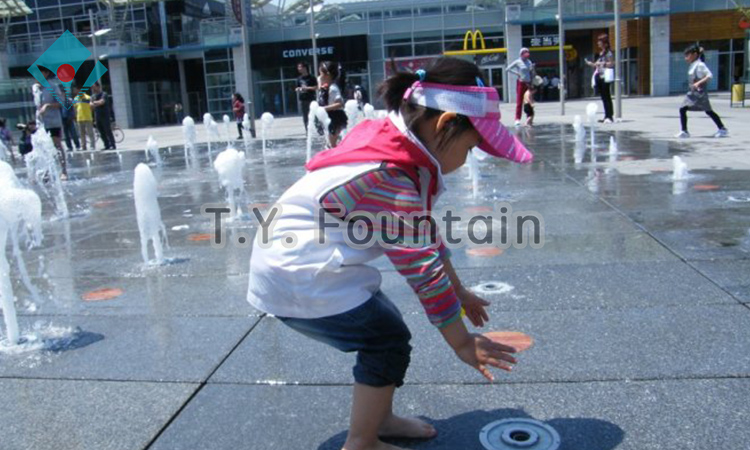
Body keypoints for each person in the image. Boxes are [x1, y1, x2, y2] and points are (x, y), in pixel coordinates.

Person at [246, 57, 534, 450]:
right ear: (445, 124)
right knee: (386, 338)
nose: (469, 160)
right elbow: (423, 273)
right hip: (301, 272)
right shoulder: (389, 174)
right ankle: (362, 440)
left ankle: (378, 419)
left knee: (385, 326)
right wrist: (462, 343)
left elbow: (425, 237)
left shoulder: (391, 143)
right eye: (471, 147)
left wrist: (460, 291)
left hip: (295, 264)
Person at [675, 44, 729, 139]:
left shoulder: (700, 65)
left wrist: (698, 83)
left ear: (695, 54)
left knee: (708, 111)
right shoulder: (694, 64)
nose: (686, 58)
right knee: (683, 109)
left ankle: (722, 129)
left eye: (688, 55)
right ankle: (684, 131)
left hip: (699, 94)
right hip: (692, 93)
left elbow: (709, 75)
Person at [37, 67, 67, 179]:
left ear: (46, 73)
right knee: (43, 147)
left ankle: (63, 171)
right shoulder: (36, 88)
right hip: (42, 123)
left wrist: (48, 106)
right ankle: (48, 171)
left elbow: (61, 103)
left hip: (53, 121)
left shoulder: (53, 86)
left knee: (57, 145)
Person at [317, 60, 348, 148]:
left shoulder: (333, 88)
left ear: (328, 75)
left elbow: (340, 104)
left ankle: (338, 158)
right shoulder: (326, 86)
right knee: (330, 143)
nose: (319, 76)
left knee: (332, 144)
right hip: (330, 116)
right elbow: (319, 82)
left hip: (336, 117)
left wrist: (323, 109)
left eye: (321, 74)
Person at [585, 34, 615, 123]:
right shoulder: (601, 53)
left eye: (600, 42)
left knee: (607, 96)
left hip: (605, 76)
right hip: (600, 76)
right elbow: (596, 64)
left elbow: (612, 63)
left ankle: (609, 116)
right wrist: (591, 64)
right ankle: (606, 115)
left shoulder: (608, 53)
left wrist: (603, 64)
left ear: (605, 43)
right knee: (603, 97)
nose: (598, 43)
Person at [506, 47, 535, 127]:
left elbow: (531, 72)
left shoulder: (529, 62)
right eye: (525, 53)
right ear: (521, 54)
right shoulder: (518, 62)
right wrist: (517, 73)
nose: (526, 55)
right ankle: (517, 119)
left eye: (527, 53)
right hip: (521, 83)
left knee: (528, 102)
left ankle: (529, 119)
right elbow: (507, 69)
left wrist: (532, 81)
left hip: (528, 83)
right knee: (519, 102)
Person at [91, 82, 116, 150]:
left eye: (94, 87)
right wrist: (95, 103)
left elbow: (102, 102)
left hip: (105, 116)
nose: (93, 89)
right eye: (92, 88)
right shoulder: (93, 96)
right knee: (101, 132)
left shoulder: (104, 94)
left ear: (98, 87)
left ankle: (112, 144)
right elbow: (91, 105)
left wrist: (95, 103)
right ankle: (106, 144)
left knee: (108, 130)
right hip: (97, 116)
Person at [296, 62, 318, 131]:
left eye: (300, 67)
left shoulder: (312, 77)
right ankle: (308, 132)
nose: (298, 69)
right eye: (298, 67)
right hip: (303, 100)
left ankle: (319, 131)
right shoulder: (299, 78)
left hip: (311, 99)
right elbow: (297, 87)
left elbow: (316, 87)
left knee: (315, 115)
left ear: (305, 68)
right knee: (305, 117)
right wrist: (298, 89)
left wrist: (307, 88)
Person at [73, 86, 96, 151]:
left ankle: (92, 146)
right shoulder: (76, 99)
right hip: (79, 118)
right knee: (81, 133)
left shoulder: (88, 97)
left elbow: (92, 107)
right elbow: (75, 108)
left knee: (90, 132)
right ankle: (83, 146)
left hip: (87, 117)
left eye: (77, 90)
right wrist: (75, 116)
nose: (77, 92)